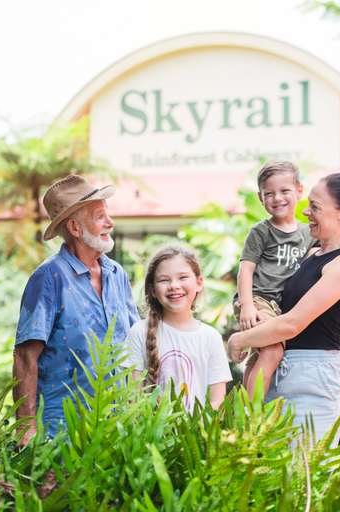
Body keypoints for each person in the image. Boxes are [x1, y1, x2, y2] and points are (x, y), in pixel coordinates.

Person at [227, 172, 340, 447]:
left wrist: (239, 339)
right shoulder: (313, 254)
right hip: (280, 368)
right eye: (308, 203)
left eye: (315, 206)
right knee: (271, 479)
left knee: (304, 479)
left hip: (313, 375)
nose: (306, 211)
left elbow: (292, 324)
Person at [13, 174, 140, 443]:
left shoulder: (117, 273)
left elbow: (134, 343)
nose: (110, 223)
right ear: (74, 227)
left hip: (117, 425)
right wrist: (26, 428)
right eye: (99, 216)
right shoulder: (49, 277)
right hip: (62, 431)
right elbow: (25, 355)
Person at [234, 159, 319, 400]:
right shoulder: (261, 231)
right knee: (271, 351)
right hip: (258, 300)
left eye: (284, 191)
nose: (277, 198)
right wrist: (247, 306)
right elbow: (245, 270)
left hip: (279, 307)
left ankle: (243, 406)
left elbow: (335, 262)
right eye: (269, 194)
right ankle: (252, 415)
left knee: (257, 354)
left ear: (299, 191)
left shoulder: (308, 233)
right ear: (261, 199)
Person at [122, 244, 232, 411]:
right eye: (164, 280)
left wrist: (198, 429)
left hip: (197, 435)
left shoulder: (211, 337)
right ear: (152, 289)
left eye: (182, 277)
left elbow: (218, 401)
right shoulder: (139, 332)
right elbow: (134, 399)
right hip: (150, 436)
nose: (174, 285)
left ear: (199, 283)